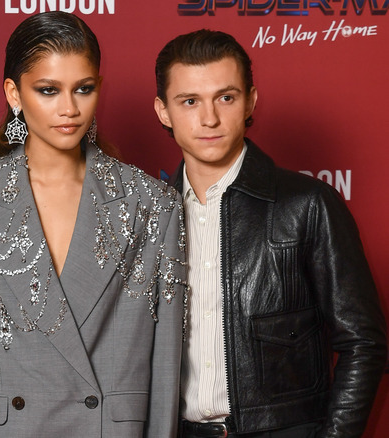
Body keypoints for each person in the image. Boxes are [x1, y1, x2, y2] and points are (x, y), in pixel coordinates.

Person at [0, 11, 187, 437]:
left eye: (84, 89)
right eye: (48, 90)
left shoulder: (152, 204)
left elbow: (165, 366)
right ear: (14, 93)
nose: (69, 109)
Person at [153, 29, 387, 438]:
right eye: (189, 101)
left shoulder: (308, 204)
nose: (209, 118)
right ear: (163, 112)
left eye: (225, 97)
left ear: (250, 102)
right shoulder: (149, 216)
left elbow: (363, 344)